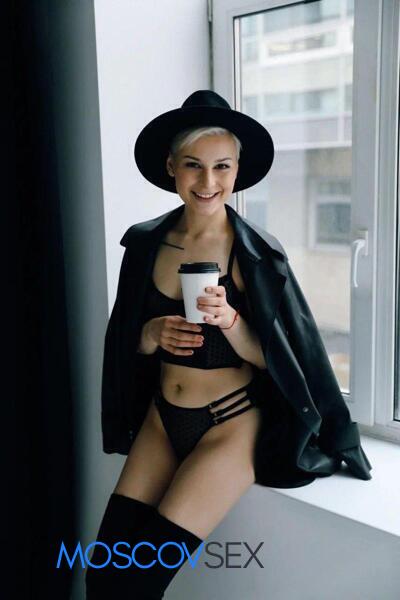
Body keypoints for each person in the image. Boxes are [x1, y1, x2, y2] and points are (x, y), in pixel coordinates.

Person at [85, 90, 372, 599]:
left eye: (222, 166)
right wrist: (150, 334)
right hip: (161, 420)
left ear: (238, 171)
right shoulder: (144, 244)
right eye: (193, 165)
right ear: (171, 167)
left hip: (229, 425)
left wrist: (232, 321)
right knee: (103, 576)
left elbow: (285, 361)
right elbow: (124, 339)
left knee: (141, 580)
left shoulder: (257, 253)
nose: (208, 182)